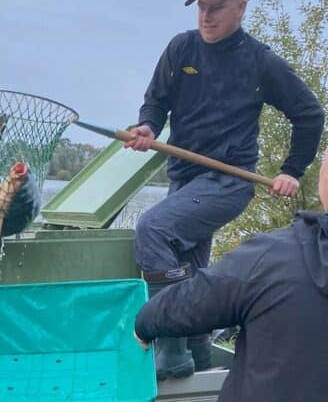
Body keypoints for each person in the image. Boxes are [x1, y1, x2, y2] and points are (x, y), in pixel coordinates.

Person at [124, 0, 324, 379]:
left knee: (153, 230)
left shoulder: (259, 62)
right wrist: (147, 127)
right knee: (187, 268)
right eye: (200, 8)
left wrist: (291, 170)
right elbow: (156, 102)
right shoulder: (182, 49)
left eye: (215, 8)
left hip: (229, 181)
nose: (205, 17)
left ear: (240, 8)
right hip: (183, 179)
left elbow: (309, 113)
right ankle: (196, 361)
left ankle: (172, 347)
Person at [134, 149, 328, 401]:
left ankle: (174, 353)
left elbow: (188, 303)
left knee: (151, 226)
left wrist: (145, 322)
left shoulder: (269, 258)